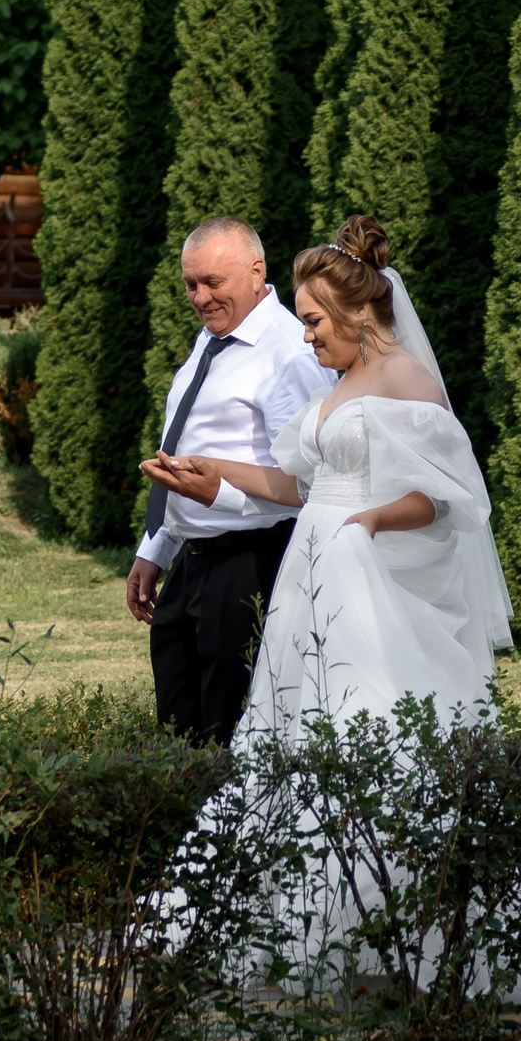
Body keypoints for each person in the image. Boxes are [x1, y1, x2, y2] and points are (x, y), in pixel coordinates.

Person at [142, 215, 510, 742]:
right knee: (297, 714)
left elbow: (443, 497)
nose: (306, 335)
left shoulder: (405, 377)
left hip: (365, 569)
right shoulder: (340, 383)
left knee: (363, 710)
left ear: (357, 311)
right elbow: (302, 486)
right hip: (310, 567)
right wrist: (217, 470)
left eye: (314, 321)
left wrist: (372, 520)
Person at [128, 216, 333, 746]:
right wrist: (156, 547)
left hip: (252, 562)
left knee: (228, 732)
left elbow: (311, 484)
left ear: (256, 272)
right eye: (190, 285)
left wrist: (219, 492)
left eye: (212, 283)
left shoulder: (289, 353)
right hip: (192, 560)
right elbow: (185, 448)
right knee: (176, 730)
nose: (200, 298)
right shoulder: (214, 338)